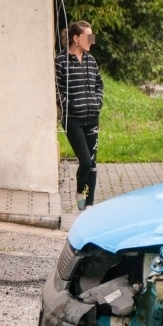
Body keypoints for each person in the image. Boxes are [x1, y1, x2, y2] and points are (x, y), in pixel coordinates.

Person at [55, 21, 104, 210]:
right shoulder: (61, 61)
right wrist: (71, 105)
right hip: (73, 120)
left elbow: (99, 85)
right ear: (76, 38)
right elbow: (57, 90)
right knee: (84, 160)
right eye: (88, 37)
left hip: (92, 117)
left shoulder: (91, 60)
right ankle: (79, 191)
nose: (91, 41)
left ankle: (89, 206)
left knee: (92, 163)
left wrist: (96, 102)